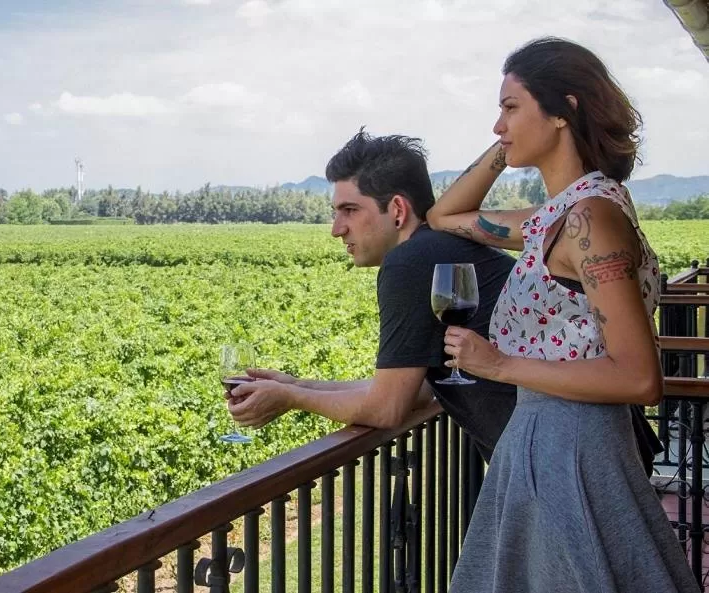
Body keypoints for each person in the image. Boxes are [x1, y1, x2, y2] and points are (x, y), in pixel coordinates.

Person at [427, 37, 696, 592]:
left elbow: (639, 378)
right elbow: (444, 216)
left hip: (572, 451)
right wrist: (512, 141)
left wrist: (498, 365)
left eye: (509, 107)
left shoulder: (588, 222)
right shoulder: (555, 219)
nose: (497, 125)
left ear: (562, 110)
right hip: (548, 443)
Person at [227, 129, 658, 473]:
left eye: (349, 210)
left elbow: (387, 407)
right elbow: (414, 390)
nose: (336, 229)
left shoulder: (410, 262)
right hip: (595, 445)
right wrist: (296, 385)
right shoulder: (442, 248)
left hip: (563, 460)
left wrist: (291, 400)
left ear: (397, 210)